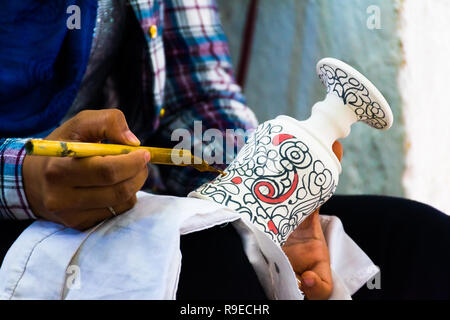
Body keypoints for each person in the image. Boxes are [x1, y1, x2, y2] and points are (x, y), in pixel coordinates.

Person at [1, 0, 449, 300]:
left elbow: (196, 94)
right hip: (15, 203)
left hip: (123, 199)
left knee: (420, 243)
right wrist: (23, 178)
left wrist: (261, 196)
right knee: (226, 274)